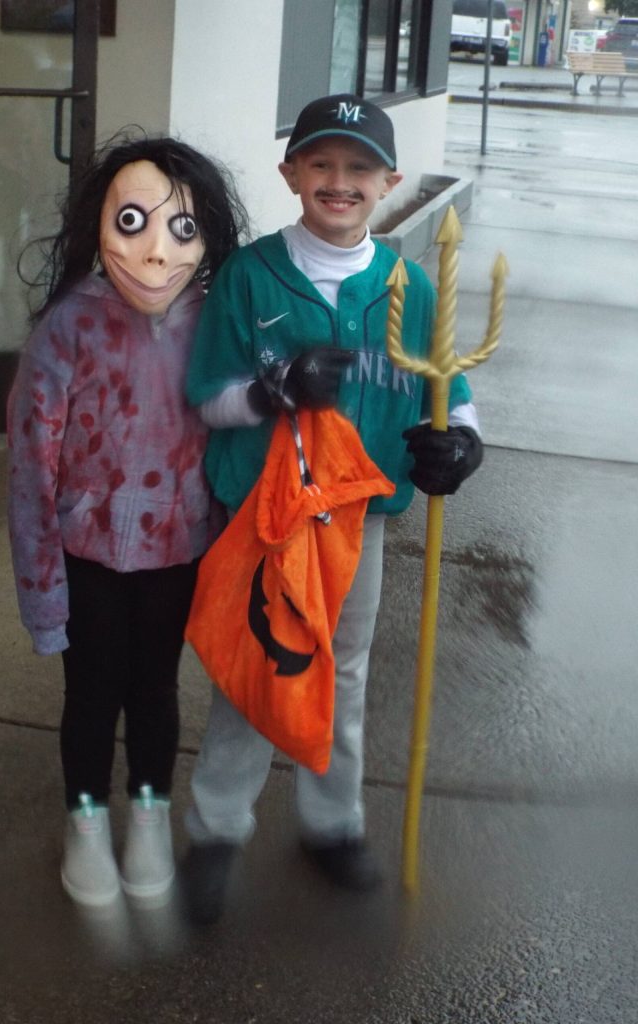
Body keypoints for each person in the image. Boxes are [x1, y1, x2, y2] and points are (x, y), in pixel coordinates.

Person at [180, 94, 483, 924]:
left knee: (343, 670)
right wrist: (272, 390)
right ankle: (216, 829)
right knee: (254, 669)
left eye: (358, 168)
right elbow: (207, 397)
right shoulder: (248, 274)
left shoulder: (409, 285)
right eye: (321, 163)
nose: (338, 182)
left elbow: (450, 396)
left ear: (388, 181)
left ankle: (331, 824)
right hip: (262, 514)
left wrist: (460, 445)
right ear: (291, 174)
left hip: (359, 520)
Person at [7, 132, 247, 908]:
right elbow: (29, 469)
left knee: (155, 690)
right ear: (97, 226)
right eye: (132, 223)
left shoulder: (214, 320)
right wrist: (42, 589)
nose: (154, 256)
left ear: (208, 234)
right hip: (88, 554)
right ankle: (85, 821)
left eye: (182, 230)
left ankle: (147, 814)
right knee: (91, 693)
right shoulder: (68, 328)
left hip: (180, 551)